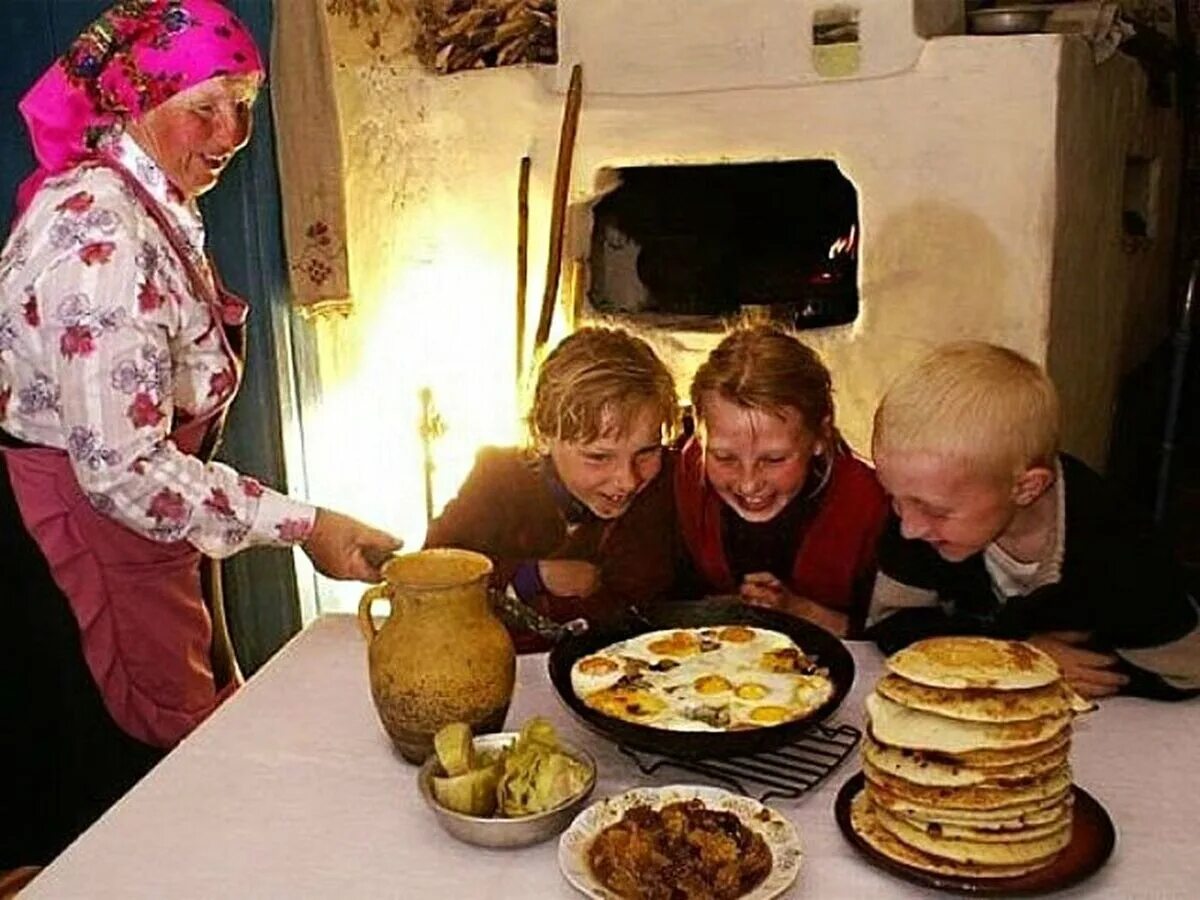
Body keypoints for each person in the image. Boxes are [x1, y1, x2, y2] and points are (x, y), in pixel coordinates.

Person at [0, 0, 399, 868]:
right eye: (205, 106)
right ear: (135, 99)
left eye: (246, 104)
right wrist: (307, 525)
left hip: (140, 528)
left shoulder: (147, 196)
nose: (232, 132)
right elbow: (125, 470)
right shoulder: (101, 236)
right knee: (136, 800)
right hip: (92, 535)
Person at [866, 340, 1200, 700]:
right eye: (894, 499)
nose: (908, 527)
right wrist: (1014, 657)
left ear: (1026, 488)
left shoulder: (1117, 547)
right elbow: (890, 624)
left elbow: (1186, 674)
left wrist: (1057, 672)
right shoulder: (922, 508)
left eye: (936, 511)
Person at [425, 326, 679, 652]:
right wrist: (531, 576)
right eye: (598, 456)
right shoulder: (498, 479)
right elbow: (428, 578)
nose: (627, 480)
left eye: (646, 452)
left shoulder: (666, 486)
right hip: (504, 673)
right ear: (543, 435)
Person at [675, 324, 888, 637]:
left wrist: (799, 611)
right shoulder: (684, 476)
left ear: (819, 435)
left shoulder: (871, 504)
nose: (748, 484)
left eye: (774, 460)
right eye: (724, 458)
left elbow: (897, 637)